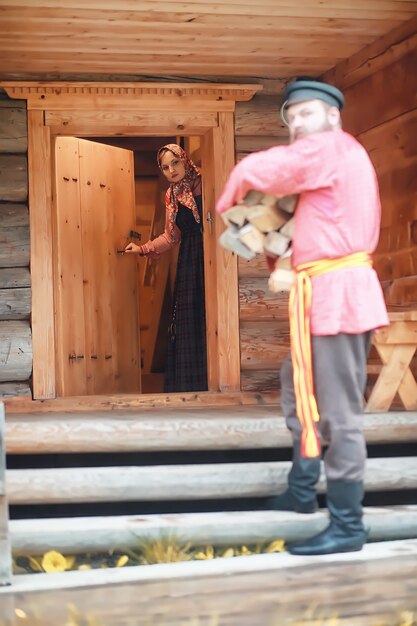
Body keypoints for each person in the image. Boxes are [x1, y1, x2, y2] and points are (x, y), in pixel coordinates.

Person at [216, 79, 389, 556]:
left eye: (306, 113)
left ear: (333, 117)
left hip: (340, 295)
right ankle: (301, 489)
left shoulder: (333, 148)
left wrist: (232, 192)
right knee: (299, 393)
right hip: (316, 294)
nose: (296, 123)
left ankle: (348, 525)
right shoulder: (321, 170)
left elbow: (272, 168)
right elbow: (295, 235)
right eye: (291, 117)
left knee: (338, 414)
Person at [125, 144, 208, 393]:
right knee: (189, 321)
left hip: (214, 256)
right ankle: (192, 387)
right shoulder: (172, 196)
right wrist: (142, 249)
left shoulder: (209, 181)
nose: (171, 170)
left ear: (184, 160)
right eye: (165, 167)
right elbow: (171, 237)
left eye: (175, 163)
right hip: (190, 261)